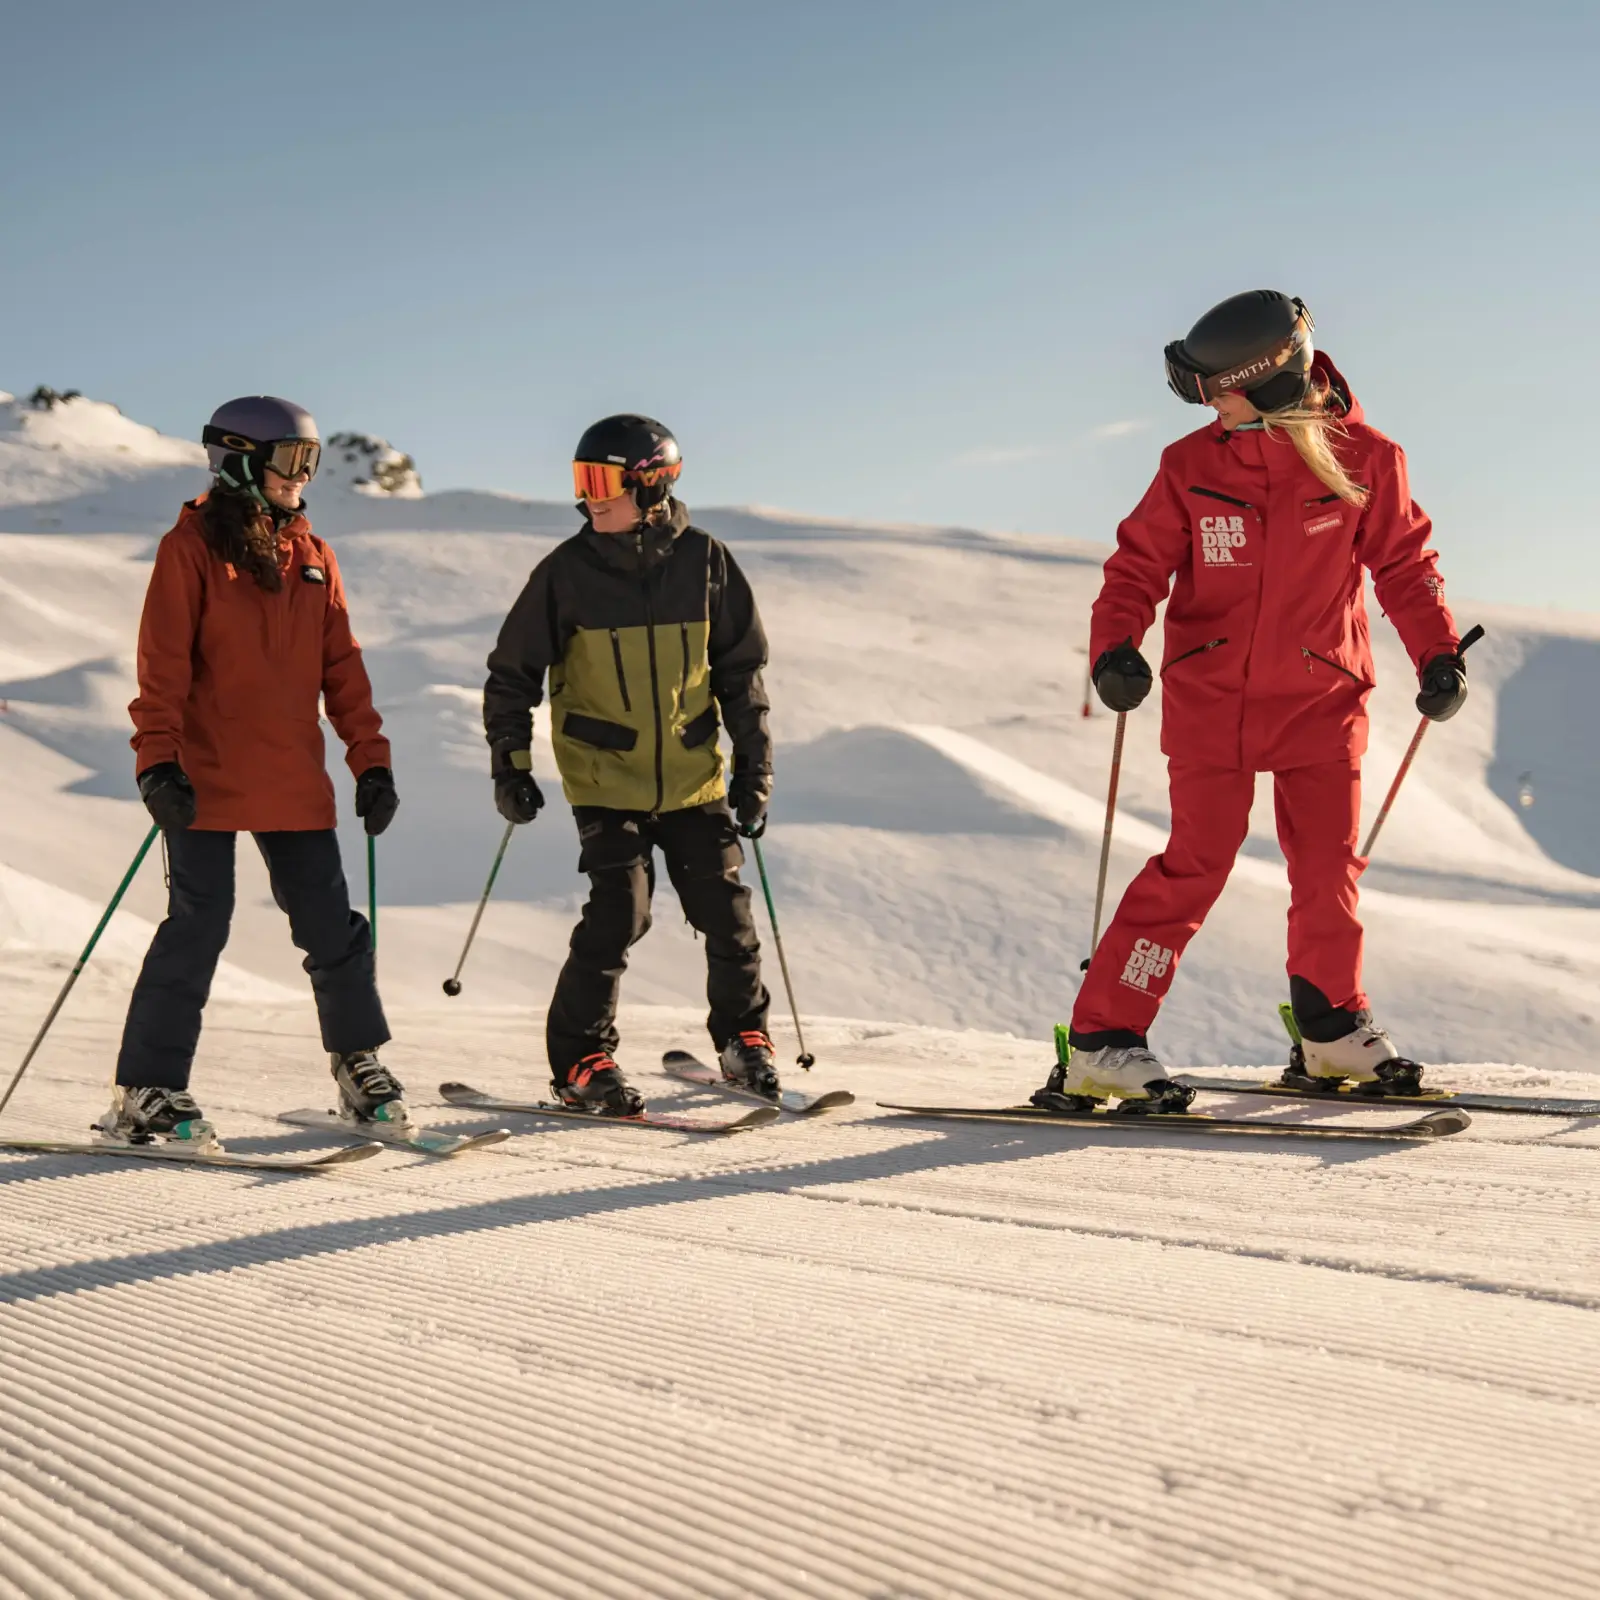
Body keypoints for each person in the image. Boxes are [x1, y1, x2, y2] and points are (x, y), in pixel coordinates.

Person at [1036, 291, 1465, 1112]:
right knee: (1195, 868)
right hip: (1214, 701)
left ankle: (1332, 1027)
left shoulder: (1367, 458)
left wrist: (1438, 653)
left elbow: (1406, 566)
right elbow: (1134, 568)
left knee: (1326, 867)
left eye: (1214, 389)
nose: (1207, 405)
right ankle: (1103, 1040)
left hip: (1322, 699)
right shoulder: (1190, 466)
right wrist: (1116, 647)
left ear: (1267, 381)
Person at [106, 396, 404, 1144]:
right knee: (198, 927)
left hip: (292, 776)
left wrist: (370, 760)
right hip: (202, 776)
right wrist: (158, 764)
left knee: (332, 929)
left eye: (310, 461)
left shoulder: (312, 554)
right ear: (240, 460)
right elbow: (163, 668)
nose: (302, 477)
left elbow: (342, 667)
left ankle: (357, 1065)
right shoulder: (191, 549)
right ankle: (149, 1088)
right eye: (290, 461)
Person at [483, 414, 777, 1116]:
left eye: (600, 481)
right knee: (620, 912)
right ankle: (581, 1058)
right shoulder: (565, 574)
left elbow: (743, 675)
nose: (588, 498)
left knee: (726, 910)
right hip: (603, 779)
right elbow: (510, 676)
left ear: (649, 483)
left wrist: (754, 769)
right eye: (580, 482)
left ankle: (744, 1039)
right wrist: (511, 766)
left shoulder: (706, 561)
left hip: (692, 776)